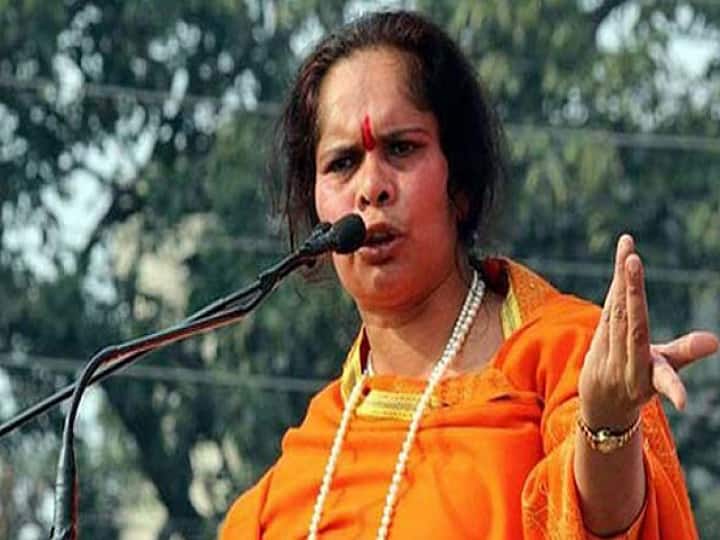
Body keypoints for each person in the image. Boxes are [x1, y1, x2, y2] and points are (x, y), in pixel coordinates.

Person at [220, 10, 719, 539]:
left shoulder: (571, 358)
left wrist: (607, 426)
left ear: (459, 182)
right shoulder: (289, 487)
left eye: (401, 148)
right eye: (342, 163)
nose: (371, 187)